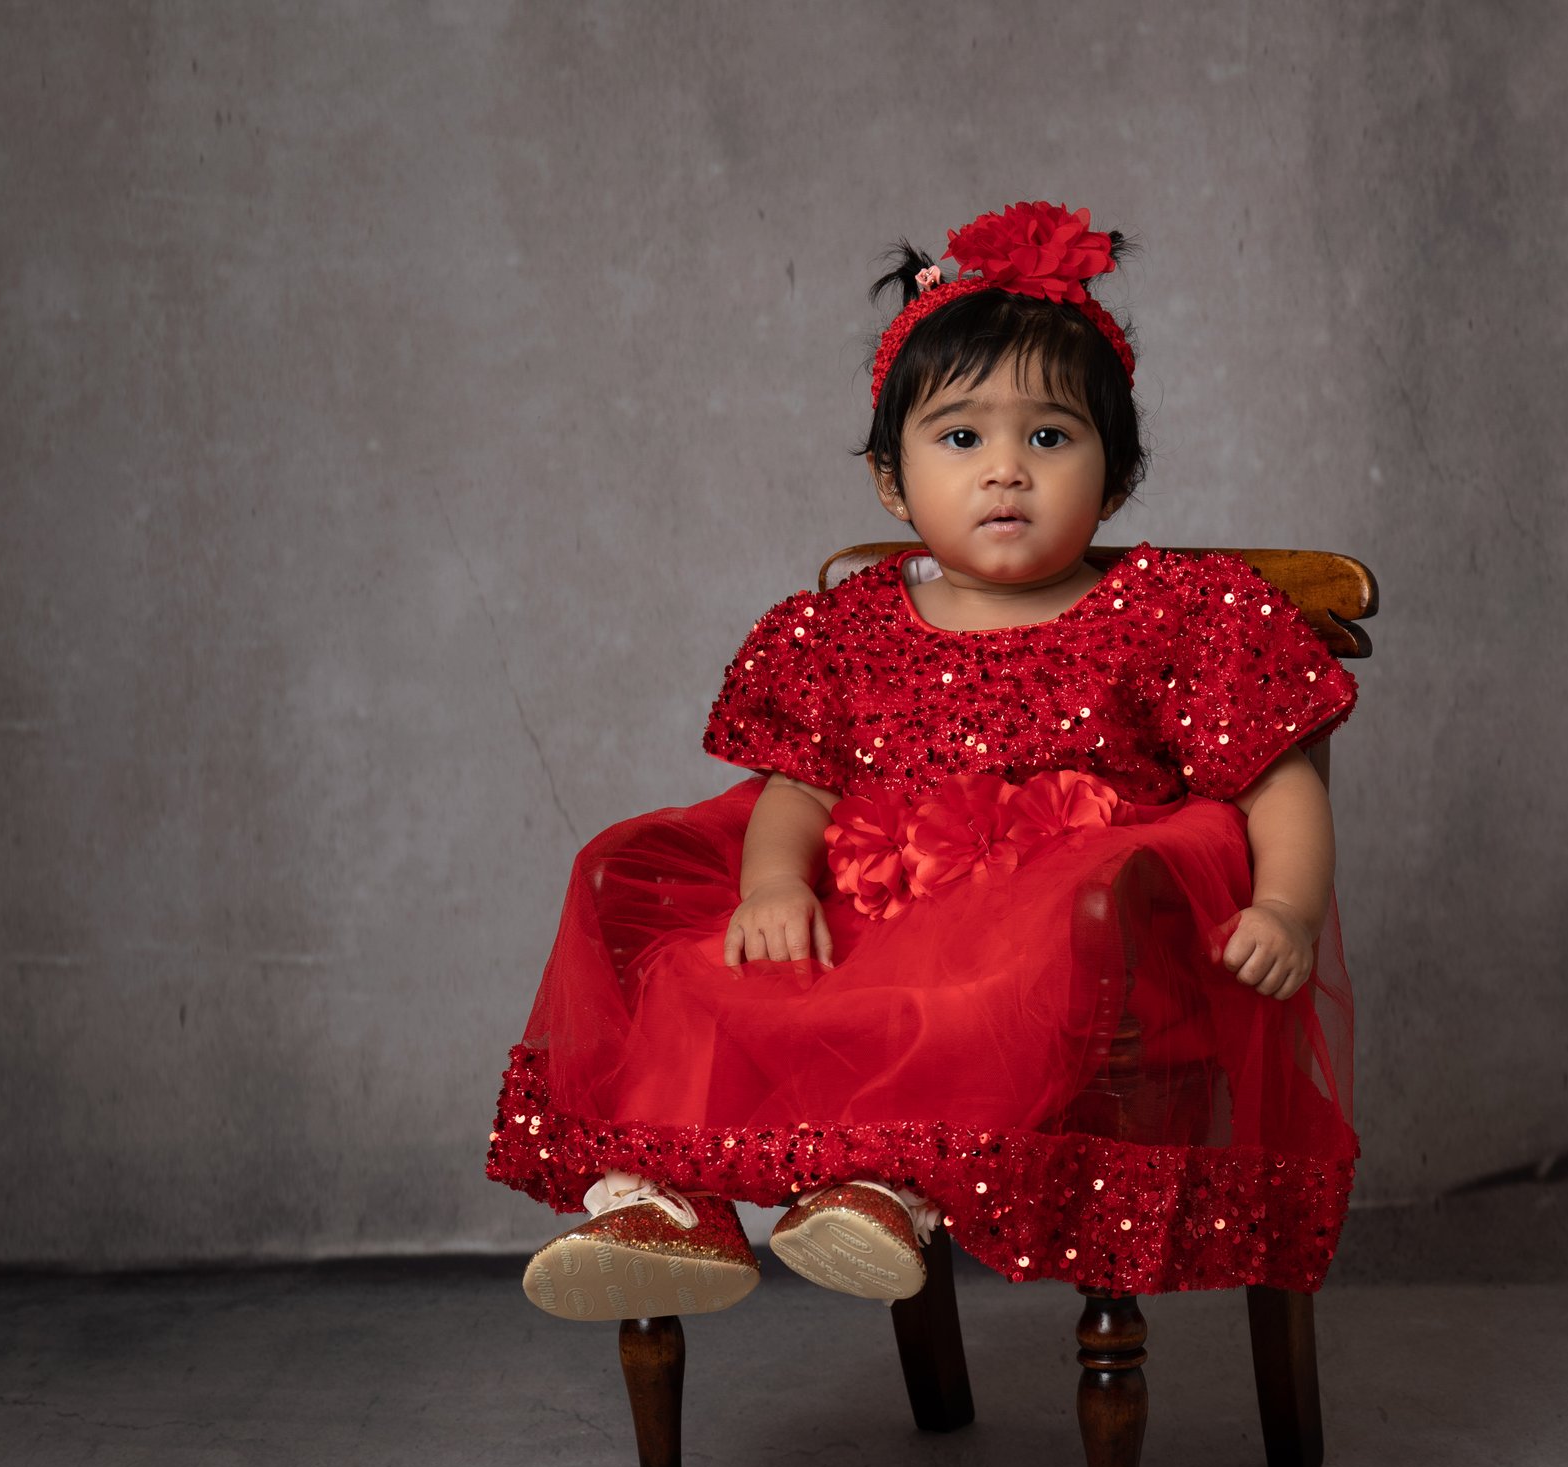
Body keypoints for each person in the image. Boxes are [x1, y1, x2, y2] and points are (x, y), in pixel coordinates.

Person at [488, 201, 1360, 1322]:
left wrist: (1285, 905)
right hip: (873, 924)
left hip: (1091, 951)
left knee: (1017, 955)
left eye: (1049, 437)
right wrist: (769, 882)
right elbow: (797, 785)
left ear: (1119, 474)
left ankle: (888, 1184)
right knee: (678, 935)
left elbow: (1273, 774)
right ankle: (671, 1202)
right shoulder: (847, 627)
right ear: (892, 483)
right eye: (961, 439)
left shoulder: (1175, 613)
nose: (1006, 471)